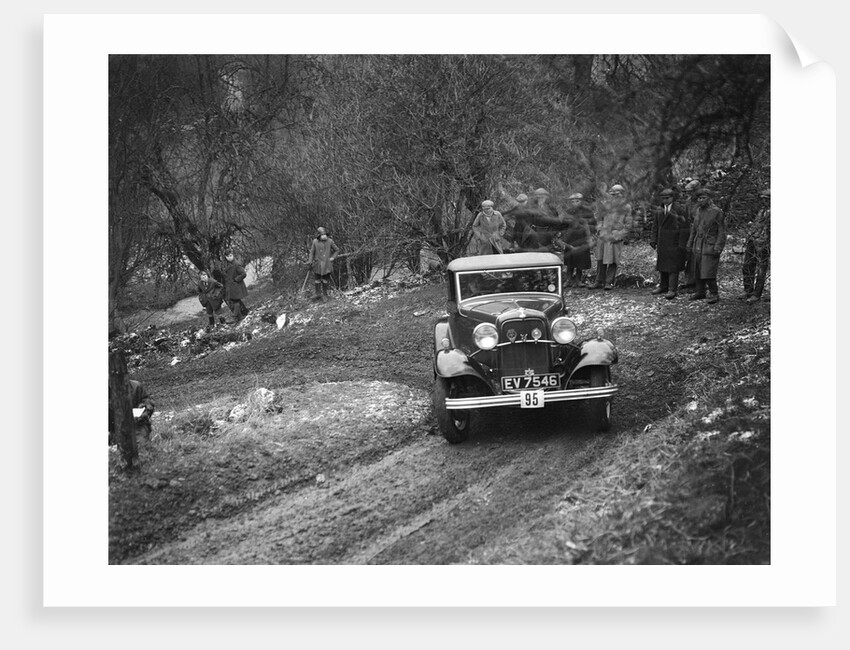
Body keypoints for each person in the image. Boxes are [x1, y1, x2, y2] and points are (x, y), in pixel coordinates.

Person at [686, 187, 727, 304]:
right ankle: (700, 291)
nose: (700, 200)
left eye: (703, 198)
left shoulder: (717, 212)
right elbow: (694, 229)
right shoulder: (698, 211)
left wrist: (718, 247)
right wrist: (690, 243)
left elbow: (722, 231)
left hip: (710, 244)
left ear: (709, 198)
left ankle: (714, 293)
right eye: (699, 198)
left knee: (708, 270)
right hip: (698, 244)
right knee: (698, 269)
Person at [589, 184, 633, 290]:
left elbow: (628, 225)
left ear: (622, 194)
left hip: (615, 237)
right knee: (600, 259)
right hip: (603, 236)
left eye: (617, 194)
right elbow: (599, 219)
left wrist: (619, 235)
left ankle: (609, 282)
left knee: (613, 259)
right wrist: (600, 229)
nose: (614, 197)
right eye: (612, 194)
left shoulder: (626, 207)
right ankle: (599, 281)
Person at [649, 188, 689, 299]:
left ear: (672, 198)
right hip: (662, 242)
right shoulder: (659, 210)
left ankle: (672, 289)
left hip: (674, 242)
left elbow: (685, 229)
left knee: (673, 266)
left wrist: (681, 244)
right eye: (663, 198)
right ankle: (663, 286)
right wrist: (653, 239)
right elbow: (655, 226)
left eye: (667, 198)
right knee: (662, 265)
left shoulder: (679, 210)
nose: (665, 201)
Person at [742, 188, 770, 303]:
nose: (764, 201)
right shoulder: (761, 211)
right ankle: (748, 290)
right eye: (762, 199)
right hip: (753, 240)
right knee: (747, 265)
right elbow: (756, 225)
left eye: (766, 199)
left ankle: (756, 294)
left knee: (761, 269)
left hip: (764, 244)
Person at [109, 378, 155, 444]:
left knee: (140, 445)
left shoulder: (137, 386)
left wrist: (144, 409)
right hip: (114, 427)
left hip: (137, 424)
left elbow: (148, 402)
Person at [561, 193, 593, 287]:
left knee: (581, 260)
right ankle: (568, 279)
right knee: (570, 260)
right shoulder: (568, 212)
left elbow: (592, 225)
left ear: (581, 201)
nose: (575, 203)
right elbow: (563, 226)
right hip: (571, 239)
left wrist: (590, 237)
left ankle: (578, 280)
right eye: (572, 201)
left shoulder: (587, 212)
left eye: (577, 201)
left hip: (582, 238)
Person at [679, 179, 701, 292]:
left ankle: (698, 283)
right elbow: (686, 217)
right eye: (688, 192)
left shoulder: (702, 201)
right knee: (689, 256)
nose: (689, 194)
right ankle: (689, 282)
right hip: (690, 231)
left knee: (697, 257)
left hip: (701, 232)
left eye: (691, 192)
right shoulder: (688, 202)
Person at [308, 226, 339, 301]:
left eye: (325, 234)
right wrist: (310, 261)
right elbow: (312, 252)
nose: (324, 236)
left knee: (325, 280)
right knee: (317, 280)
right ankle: (318, 294)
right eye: (322, 234)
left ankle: (325, 295)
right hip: (317, 263)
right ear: (319, 235)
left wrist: (333, 257)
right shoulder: (315, 241)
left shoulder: (330, 241)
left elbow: (337, 250)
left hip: (327, 264)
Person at [223, 251, 250, 321]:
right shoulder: (227, 264)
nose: (229, 257)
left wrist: (236, 279)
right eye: (228, 256)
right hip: (231, 285)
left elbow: (243, 274)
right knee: (234, 300)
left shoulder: (236, 264)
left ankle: (235, 317)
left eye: (230, 255)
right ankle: (239, 316)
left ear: (233, 255)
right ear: (226, 257)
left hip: (236, 285)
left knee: (236, 300)